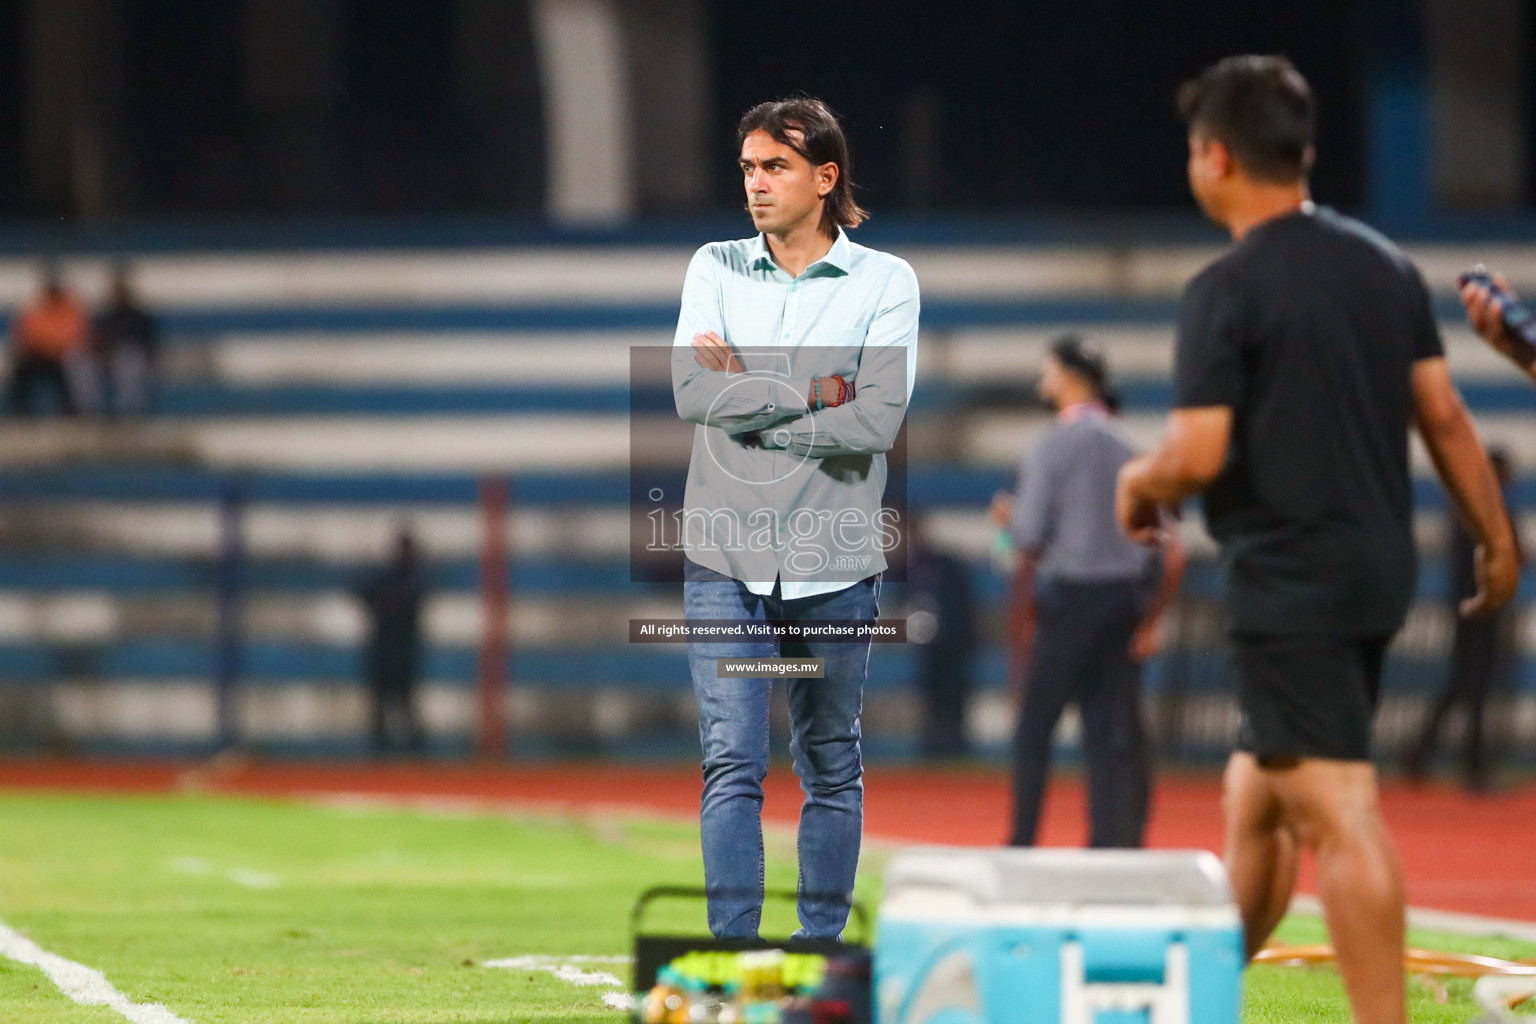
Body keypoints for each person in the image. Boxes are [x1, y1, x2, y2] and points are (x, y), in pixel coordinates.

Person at [1115, 56, 1519, 1024]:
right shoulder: (1382, 264)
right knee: (1257, 796)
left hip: (1289, 576)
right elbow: (1446, 415)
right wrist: (1496, 542)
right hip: (1375, 572)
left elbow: (1199, 450)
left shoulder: (1225, 287)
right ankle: (1195, 1001)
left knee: (1336, 811)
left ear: (1216, 157)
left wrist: (1137, 481)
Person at [671, 97, 918, 940]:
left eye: (774, 167)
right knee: (732, 761)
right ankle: (736, 954)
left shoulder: (888, 281)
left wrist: (755, 393)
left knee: (830, 764)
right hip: (724, 561)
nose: (755, 184)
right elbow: (692, 392)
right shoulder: (714, 264)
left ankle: (817, 952)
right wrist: (819, 390)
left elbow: (877, 420)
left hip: (836, 563)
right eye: (747, 167)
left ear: (825, 176)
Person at [991, 335, 1184, 849]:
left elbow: (1028, 537)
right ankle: (1110, 844)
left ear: (1071, 378)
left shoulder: (1053, 444)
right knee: (1109, 733)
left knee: (1035, 726)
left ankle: (1023, 841)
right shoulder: (1127, 443)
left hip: (1072, 600)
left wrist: (1008, 522)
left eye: (1049, 371)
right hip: (1124, 601)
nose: (1043, 383)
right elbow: (1162, 540)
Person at [1405, 448, 1521, 792]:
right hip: (1479, 612)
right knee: (1476, 688)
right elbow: (1506, 557)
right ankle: (1472, 766)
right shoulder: (1484, 513)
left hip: (1468, 610)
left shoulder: (1466, 510)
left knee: (1461, 685)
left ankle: (1421, 755)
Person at [903, 516, 976, 758]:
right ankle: (933, 753)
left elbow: (962, 609)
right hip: (931, 653)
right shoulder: (910, 569)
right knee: (933, 708)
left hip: (952, 648)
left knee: (952, 708)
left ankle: (953, 752)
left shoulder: (943, 566)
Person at [355, 528, 428, 755]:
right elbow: (363, 593)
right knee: (381, 707)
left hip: (404, 650)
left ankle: (414, 755)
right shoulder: (386, 578)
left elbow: (407, 601)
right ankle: (379, 755)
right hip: (384, 649)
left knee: (405, 705)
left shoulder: (414, 578)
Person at [7, 266, 89, 416]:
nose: (52, 295)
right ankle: (21, 412)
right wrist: (40, 346)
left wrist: (51, 346)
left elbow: (72, 338)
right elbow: (25, 335)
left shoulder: (70, 309)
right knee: (21, 369)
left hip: (61, 357)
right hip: (39, 356)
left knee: (73, 366)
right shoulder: (38, 310)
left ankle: (71, 412)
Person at [89, 264, 160, 416]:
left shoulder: (139, 317)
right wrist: (104, 352)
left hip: (131, 357)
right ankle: (91, 410)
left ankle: (129, 410)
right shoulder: (105, 317)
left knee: (129, 358)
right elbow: (96, 340)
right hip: (105, 358)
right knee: (79, 362)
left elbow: (148, 342)